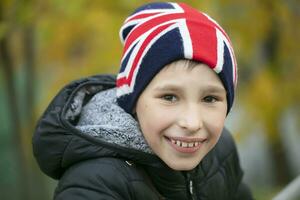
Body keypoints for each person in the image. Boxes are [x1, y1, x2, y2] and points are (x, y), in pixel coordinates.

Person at [33, 2, 253, 199]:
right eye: (169, 97)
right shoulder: (95, 183)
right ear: (133, 100)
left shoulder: (222, 150)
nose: (192, 122)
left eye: (209, 98)